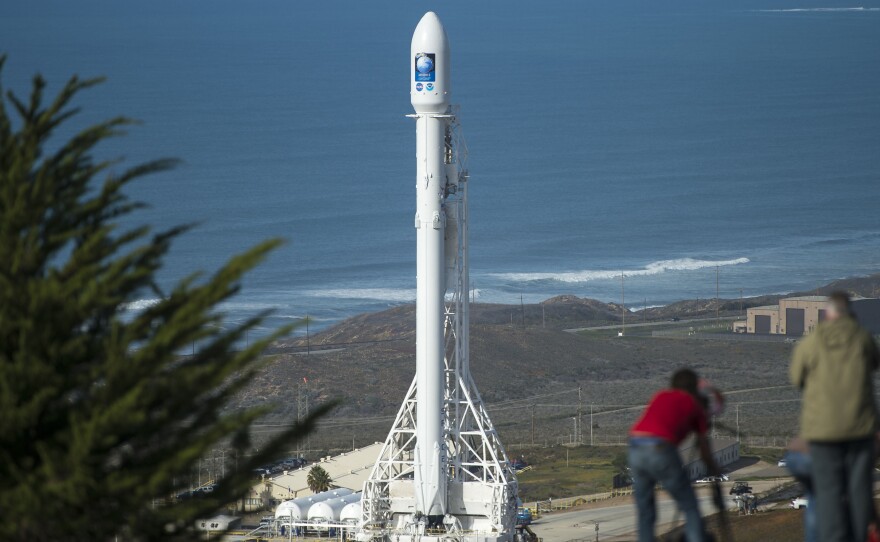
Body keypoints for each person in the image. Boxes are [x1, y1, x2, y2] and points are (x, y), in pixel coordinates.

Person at [790, 291, 880, 542]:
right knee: (859, 490)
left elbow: (796, 378)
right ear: (849, 312)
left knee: (828, 493)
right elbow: (874, 363)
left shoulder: (811, 341)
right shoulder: (862, 338)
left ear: (827, 314)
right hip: (860, 428)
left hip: (822, 432)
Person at [629, 368, 721, 542]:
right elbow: (704, 448)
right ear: (694, 388)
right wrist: (714, 468)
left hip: (635, 446)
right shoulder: (694, 405)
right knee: (690, 506)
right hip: (660, 448)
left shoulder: (660, 395)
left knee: (645, 510)